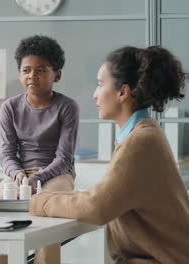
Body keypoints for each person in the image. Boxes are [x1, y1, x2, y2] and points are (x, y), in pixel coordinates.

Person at [31, 46, 189, 263]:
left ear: (123, 92)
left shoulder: (141, 141)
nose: (95, 94)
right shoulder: (140, 135)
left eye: (100, 84)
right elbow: (104, 196)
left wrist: (39, 203)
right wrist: (51, 198)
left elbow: (97, 206)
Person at [0, 35, 79, 264]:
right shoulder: (10, 107)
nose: (32, 76)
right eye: (26, 70)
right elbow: (7, 154)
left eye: (41, 70)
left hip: (57, 173)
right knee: (3, 197)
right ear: (20, 73)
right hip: (22, 172)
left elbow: (64, 158)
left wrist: (37, 178)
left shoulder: (67, 107)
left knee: (49, 204)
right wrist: (18, 175)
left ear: (57, 74)